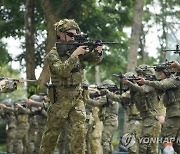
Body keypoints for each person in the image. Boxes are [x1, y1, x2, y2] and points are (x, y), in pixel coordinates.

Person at [39, 19, 103, 154]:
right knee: (52, 135)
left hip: (77, 96)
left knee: (80, 131)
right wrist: (75, 55)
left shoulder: (77, 49)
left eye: (75, 34)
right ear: (60, 34)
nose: (73, 37)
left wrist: (97, 52)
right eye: (70, 34)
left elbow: (93, 59)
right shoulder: (53, 54)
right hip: (60, 99)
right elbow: (62, 71)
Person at [122, 65, 165, 154]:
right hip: (146, 119)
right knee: (146, 146)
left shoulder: (151, 85)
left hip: (153, 119)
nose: (139, 76)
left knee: (149, 146)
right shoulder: (142, 86)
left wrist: (130, 83)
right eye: (138, 74)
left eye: (141, 74)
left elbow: (142, 90)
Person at [137, 64, 180, 154]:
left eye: (161, 74)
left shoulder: (173, 80)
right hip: (174, 114)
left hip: (175, 115)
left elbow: (161, 85)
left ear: (166, 73)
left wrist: (145, 82)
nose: (160, 76)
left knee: (166, 140)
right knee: (176, 144)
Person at [87, 80, 119, 154]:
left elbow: (97, 103)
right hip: (111, 121)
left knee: (105, 142)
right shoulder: (112, 95)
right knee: (108, 142)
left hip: (110, 121)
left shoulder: (108, 96)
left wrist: (86, 99)